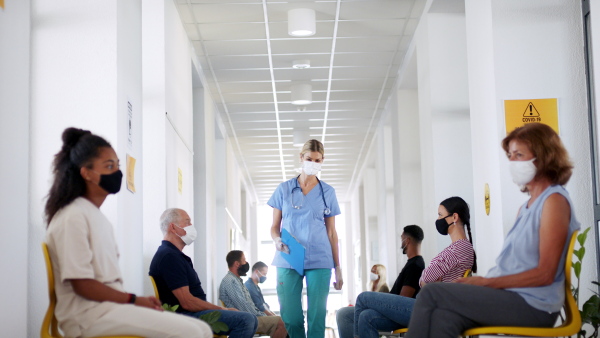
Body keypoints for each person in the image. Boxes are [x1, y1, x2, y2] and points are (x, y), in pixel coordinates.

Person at [405, 123, 580, 338]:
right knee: (444, 318)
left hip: (534, 305)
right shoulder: (525, 209)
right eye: (510, 156)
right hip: (508, 296)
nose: (512, 162)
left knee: (431, 292)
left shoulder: (554, 201)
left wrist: (486, 282)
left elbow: (546, 273)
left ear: (543, 156)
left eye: (519, 155)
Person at [44, 127, 212, 338]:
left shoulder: (94, 216)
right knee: (192, 332)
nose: (116, 172)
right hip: (87, 318)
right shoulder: (72, 217)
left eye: (117, 165)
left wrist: (133, 301)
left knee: (203, 329)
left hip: (108, 310)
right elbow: (83, 285)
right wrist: (133, 300)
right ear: (86, 172)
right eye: (108, 166)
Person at [354, 197, 476, 338]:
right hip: (427, 305)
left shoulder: (460, 247)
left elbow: (425, 278)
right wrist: (432, 280)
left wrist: (431, 280)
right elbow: (427, 280)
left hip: (431, 309)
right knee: (366, 316)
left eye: (440, 215)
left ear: (454, 217)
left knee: (363, 298)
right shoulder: (457, 248)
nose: (438, 219)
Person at [269, 139, 343, 338]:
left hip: (320, 257)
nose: (313, 163)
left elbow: (332, 233)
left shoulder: (328, 192)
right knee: (291, 317)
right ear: (301, 158)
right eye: (309, 159)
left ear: (322, 161)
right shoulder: (284, 189)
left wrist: (338, 268)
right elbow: (275, 227)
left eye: (318, 160)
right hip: (288, 256)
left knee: (317, 316)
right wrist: (276, 240)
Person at [149, 208, 258, 338]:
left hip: (194, 313)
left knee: (251, 319)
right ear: (173, 227)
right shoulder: (169, 256)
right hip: (186, 315)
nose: (191, 227)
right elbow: (187, 302)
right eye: (187, 222)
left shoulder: (174, 255)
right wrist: (222, 309)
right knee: (246, 320)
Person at [335, 225, 425, 338]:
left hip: (399, 314)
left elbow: (402, 300)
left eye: (401, 238)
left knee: (364, 300)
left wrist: (379, 305)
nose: (401, 243)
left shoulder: (416, 265)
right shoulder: (411, 263)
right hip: (393, 311)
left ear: (407, 241)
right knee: (343, 314)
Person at [219, 251, 288, 338]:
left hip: (251, 317)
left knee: (283, 323)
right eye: (244, 260)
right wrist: (262, 315)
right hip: (245, 319)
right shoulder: (230, 281)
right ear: (237, 264)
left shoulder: (237, 281)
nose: (246, 263)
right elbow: (243, 307)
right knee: (282, 323)